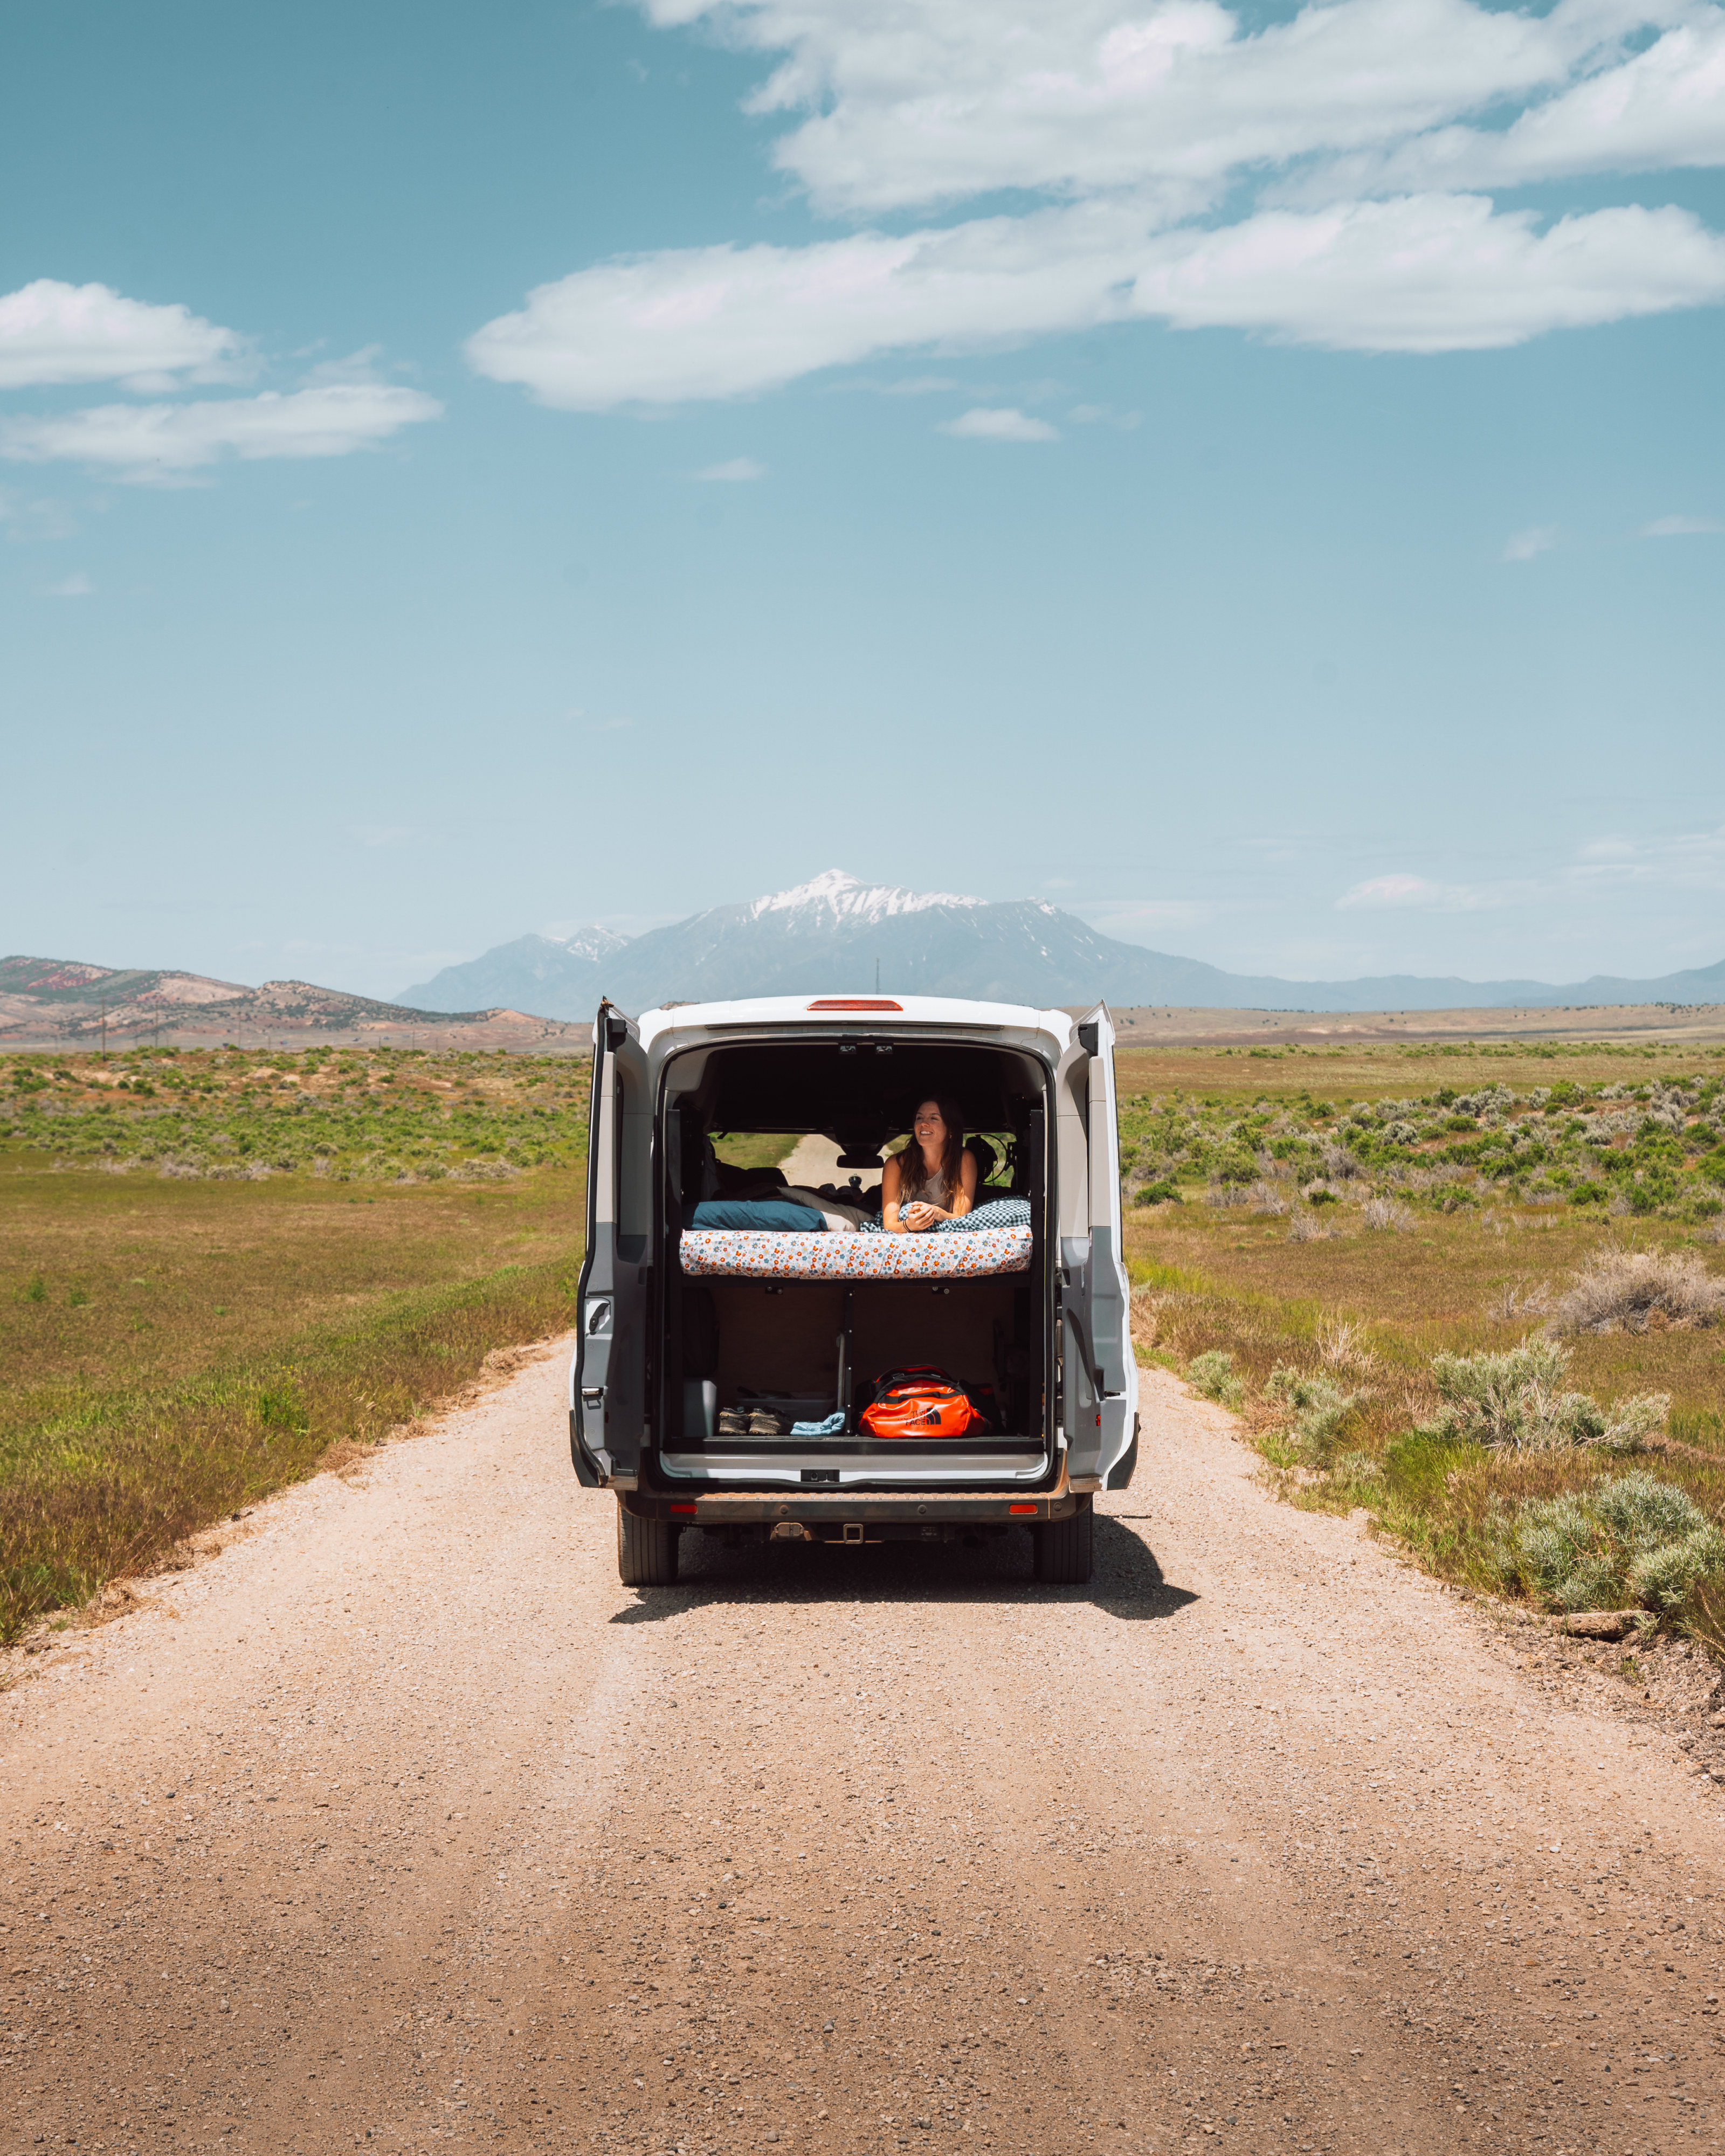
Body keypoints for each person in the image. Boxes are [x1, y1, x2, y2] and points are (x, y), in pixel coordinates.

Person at [882, 1097, 978, 1232]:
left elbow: (961, 1219)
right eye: (919, 1118)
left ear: (951, 1129)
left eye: (933, 1118)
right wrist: (908, 1225)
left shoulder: (964, 1160)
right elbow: (890, 1225)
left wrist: (936, 1213)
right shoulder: (896, 1164)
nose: (924, 1124)